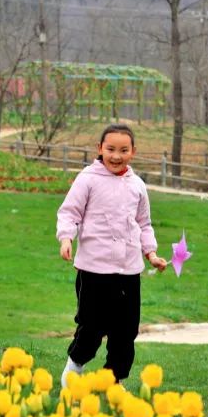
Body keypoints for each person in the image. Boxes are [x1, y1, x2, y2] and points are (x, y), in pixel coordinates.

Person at [56, 123, 168, 388]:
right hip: (94, 270)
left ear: (133, 152)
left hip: (129, 271)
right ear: (100, 149)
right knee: (91, 327)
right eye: (110, 149)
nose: (116, 156)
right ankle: (75, 366)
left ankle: (113, 381)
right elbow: (69, 212)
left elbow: (144, 223)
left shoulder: (137, 185)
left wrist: (151, 253)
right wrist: (65, 238)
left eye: (123, 150)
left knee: (126, 331)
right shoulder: (88, 179)